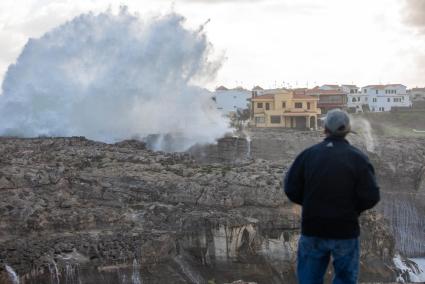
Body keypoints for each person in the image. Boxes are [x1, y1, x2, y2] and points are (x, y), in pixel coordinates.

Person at [284, 109, 380, 284]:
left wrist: (309, 204)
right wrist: (354, 210)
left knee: (309, 279)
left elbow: (291, 188)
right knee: (345, 279)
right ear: (347, 130)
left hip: (313, 227)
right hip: (345, 229)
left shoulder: (308, 155)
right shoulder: (358, 158)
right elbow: (371, 195)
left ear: (325, 129)